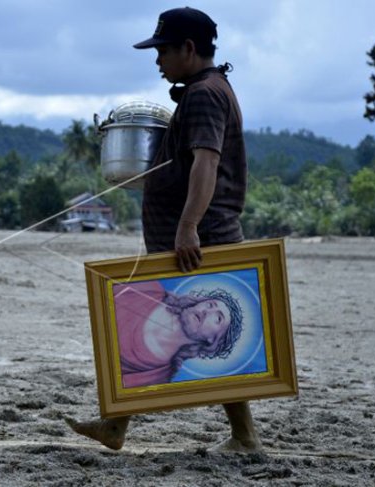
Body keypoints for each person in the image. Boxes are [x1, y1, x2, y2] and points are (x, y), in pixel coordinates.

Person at [66, 7, 262, 452]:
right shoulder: (205, 89)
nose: (157, 61)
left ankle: (245, 436)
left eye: (162, 51)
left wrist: (188, 225)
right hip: (189, 234)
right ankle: (116, 425)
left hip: (201, 235)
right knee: (144, 316)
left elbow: (206, 161)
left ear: (188, 50)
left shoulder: (204, 95)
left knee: (157, 319)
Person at [113, 280, 243, 388]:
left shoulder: (158, 376)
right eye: (210, 305)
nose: (206, 312)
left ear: (213, 341)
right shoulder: (149, 289)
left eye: (218, 318)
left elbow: (119, 389)